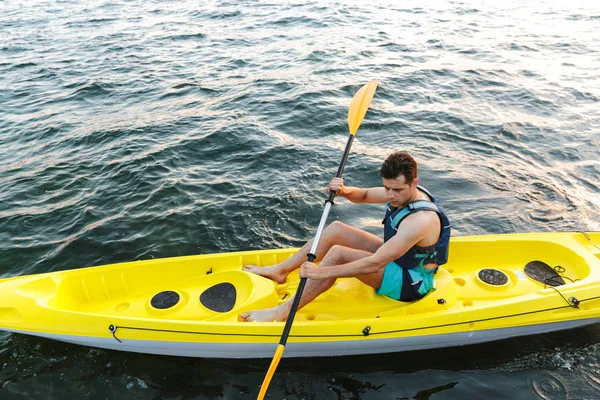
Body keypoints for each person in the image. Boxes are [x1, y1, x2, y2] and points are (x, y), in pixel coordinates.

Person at [240, 151, 451, 322]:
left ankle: (281, 312)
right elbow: (366, 195)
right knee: (336, 229)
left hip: (411, 282)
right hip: (400, 260)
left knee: (338, 254)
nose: (390, 195)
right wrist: (343, 191)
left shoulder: (420, 220)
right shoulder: (398, 193)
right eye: (386, 187)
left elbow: (374, 263)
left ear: (414, 183)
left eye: (396, 190)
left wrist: (322, 273)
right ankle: (280, 270)